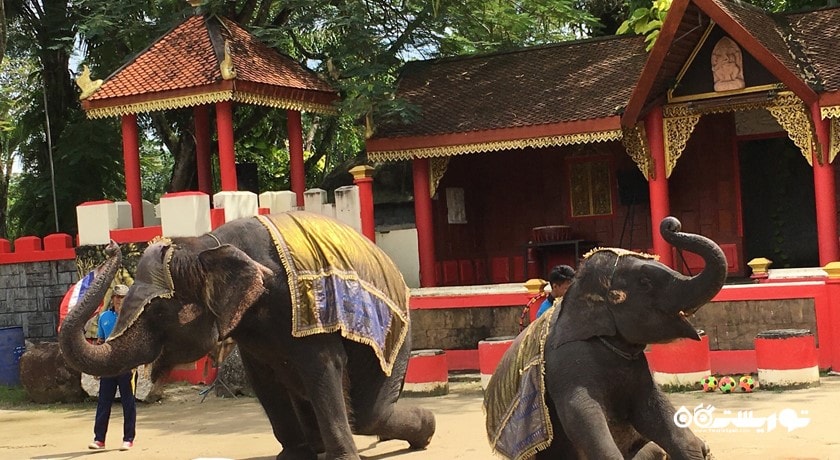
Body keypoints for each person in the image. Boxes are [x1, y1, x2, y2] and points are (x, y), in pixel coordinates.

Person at [88, 284, 136, 451]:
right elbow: (100, 342)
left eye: (122, 297)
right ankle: (99, 439)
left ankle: (128, 438)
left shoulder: (133, 317)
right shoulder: (104, 317)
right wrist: (97, 366)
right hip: (108, 365)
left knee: (128, 402)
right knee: (103, 402)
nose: (119, 300)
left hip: (126, 365)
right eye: (116, 296)